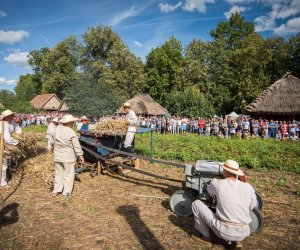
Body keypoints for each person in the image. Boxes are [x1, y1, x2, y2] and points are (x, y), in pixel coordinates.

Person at [191, 159, 257, 247]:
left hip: (224, 231)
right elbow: (252, 205)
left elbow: (209, 192)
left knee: (196, 204)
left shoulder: (218, 183)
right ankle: (237, 242)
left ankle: (205, 238)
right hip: (244, 231)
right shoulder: (248, 187)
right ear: (237, 173)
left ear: (224, 171)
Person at [52, 114, 84, 196]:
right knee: (68, 174)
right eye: (72, 122)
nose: (73, 123)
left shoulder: (56, 129)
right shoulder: (71, 132)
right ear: (70, 122)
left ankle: (56, 190)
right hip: (67, 156)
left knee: (58, 174)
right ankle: (66, 192)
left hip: (57, 156)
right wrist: (80, 156)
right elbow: (76, 146)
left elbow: (52, 142)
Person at [0, 110, 20, 187]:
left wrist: (19, 134)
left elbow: (17, 129)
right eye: (11, 116)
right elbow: (7, 138)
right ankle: (2, 183)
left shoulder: (10, 123)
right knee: (3, 164)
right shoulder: (3, 124)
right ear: (7, 117)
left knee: (5, 163)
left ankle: (4, 179)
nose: (12, 117)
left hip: (6, 146)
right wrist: (17, 142)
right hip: (3, 146)